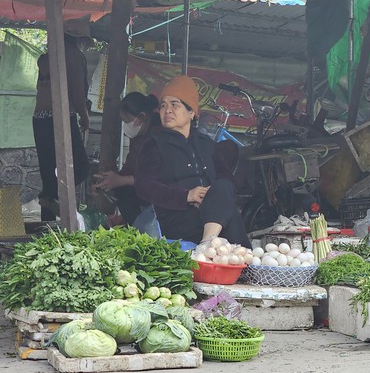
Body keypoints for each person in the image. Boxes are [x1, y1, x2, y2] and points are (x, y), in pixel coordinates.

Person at [134, 75, 251, 247]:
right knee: (231, 217)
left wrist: (211, 196)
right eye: (163, 105)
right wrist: (187, 196)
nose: (167, 110)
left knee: (224, 187)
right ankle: (237, 256)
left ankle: (208, 243)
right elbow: (144, 186)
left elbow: (227, 178)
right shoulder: (154, 143)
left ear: (191, 112)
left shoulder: (206, 143)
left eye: (174, 104)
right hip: (176, 217)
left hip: (211, 212)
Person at [32, 17, 92, 221]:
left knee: (49, 175)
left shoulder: (46, 58)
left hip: (39, 118)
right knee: (81, 168)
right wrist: (84, 116)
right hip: (62, 116)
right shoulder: (74, 56)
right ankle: (56, 196)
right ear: (78, 39)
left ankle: (47, 220)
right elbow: (77, 92)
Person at [94, 92, 161, 225]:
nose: (126, 125)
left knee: (124, 191)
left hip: (158, 193)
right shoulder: (138, 136)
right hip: (140, 186)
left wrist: (121, 180)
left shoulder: (158, 136)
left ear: (142, 116)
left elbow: (155, 177)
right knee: (119, 190)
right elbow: (131, 165)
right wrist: (107, 182)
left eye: (127, 121)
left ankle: (139, 227)